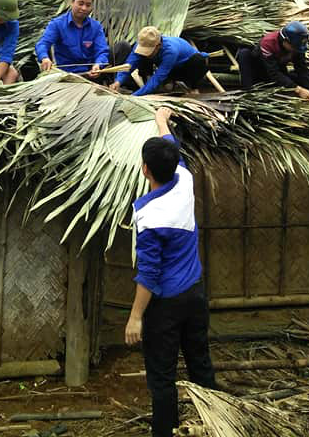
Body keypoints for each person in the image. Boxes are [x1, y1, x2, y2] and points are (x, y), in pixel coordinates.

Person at [125, 107, 216, 437]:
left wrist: (136, 316)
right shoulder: (185, 179)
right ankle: (216, 424)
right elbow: (171, 146)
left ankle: (165, 431)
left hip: (165, 305)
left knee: (162, 376)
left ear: (145, 169)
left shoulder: (149, 216)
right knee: (200, 364)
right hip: (195, 293)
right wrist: (162, 119)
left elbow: (148, 275)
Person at [35, 0, 113, 78]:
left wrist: (98, 65)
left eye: (88, 5)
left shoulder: (96, 27)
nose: (84, 8)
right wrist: (45, 58)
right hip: (65, 76)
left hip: (90, 75)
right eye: (80, 4)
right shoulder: (57, 24)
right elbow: (43, 44)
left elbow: (102, 51)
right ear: (72, 3)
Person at [111, 27, 208, 96]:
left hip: (183, 67)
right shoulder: (142, 42)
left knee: (198, 61)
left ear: (158, 45)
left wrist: (135, 96)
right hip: (165, 65)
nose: (145, 52)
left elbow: (158, 77)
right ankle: (149, 83)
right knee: (143, 57)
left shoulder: (170, 51)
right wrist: (118, 81)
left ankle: (192, 87)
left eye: (149, 49)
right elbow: (129, 64)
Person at [237, 21, 309, 100]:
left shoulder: (297, 47)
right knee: (244, 54)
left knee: (302, 81)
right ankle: (248, 96)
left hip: (278, 69)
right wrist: (298, 89)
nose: (295, 50)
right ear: (285, 41)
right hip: (260, 70)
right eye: (294, 48)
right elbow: (274, 73)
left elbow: (302, 69)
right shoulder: (268, 43)